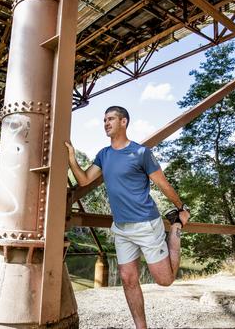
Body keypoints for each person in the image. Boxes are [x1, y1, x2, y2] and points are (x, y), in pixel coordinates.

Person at [65, 105, 190, 329]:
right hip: (121, 228)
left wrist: (181, 207)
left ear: (124, 122)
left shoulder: (141, 153)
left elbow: (162, 184)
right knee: (128, 278)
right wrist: (72, 159)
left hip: (146, 224)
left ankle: (175, 230)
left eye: (111, 119)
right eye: (104, 120)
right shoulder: (104, 154)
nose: (106, 123)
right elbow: (84, 180)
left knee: (165, 280)